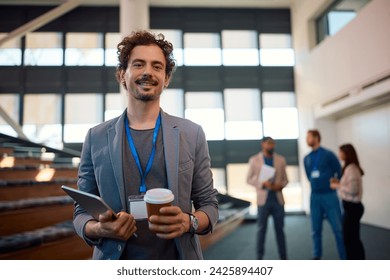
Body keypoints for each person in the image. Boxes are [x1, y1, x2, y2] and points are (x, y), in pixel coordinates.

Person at [72, 30, 219, 260]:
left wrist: (188, 221)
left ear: (167, 78)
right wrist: (98, 229)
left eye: (157, 66)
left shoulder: (192, 134)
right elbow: (81, 213)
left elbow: (209, 205)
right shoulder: (96, 137)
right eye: (139, 64)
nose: (148, 72)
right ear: (122, 74)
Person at [303, 129, 346, 260]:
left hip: (329, 196)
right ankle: (317, 255)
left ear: (316, 138)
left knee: (338, 229)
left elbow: (339, 171)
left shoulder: (328, 154)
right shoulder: (307, 158)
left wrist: (334, 182)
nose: (307, 140)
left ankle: (344, 257)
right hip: (315, 197)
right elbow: (309, 176)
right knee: (315, 229)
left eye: (309, 137)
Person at [247, 136, 288, 260]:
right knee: (261, 230)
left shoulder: (281, 160)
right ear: (263, 144)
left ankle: (284, 258)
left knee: (280, 230)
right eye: (269, 143)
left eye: (273, 143)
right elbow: (249, 179)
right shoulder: (254, 160)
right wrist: (262, 183)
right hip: (263, 201)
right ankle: (259, 258)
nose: (271, 146)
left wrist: (280, 186)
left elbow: (286, 179)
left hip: (278, 200)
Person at [330, 144, 365, 259]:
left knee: (350, 239)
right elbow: (349, 185)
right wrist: (340, 182)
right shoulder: (349, 168)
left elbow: (353, 190)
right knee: (351, 238)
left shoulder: (352, 169)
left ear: (346, 153)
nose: (339, 154)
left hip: (353, 208)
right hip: (350, 207)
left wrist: (337, 185)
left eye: (340, 152)